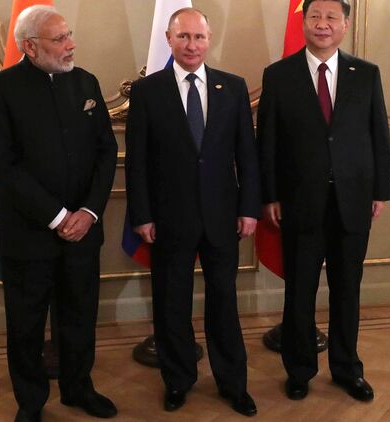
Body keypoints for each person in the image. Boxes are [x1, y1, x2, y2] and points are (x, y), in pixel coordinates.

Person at [0, 6, 118, 422]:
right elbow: (1, 164)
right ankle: (31, 401)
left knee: (79, 317)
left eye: (69, 34)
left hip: (84, 230)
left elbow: (106, 150)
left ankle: (79, 388)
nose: (71, 44)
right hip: (30, 232)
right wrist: (57, 217)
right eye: (60, 39)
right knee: (26, 324)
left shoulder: (86, 82)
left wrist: (88, 212)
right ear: (31, 47)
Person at [125, 7, 260, 417]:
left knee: (224, 304)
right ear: (168, 39)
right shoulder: (147, 91)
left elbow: (247, 155)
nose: (191, 45)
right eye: (183, 36)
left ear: (209, 40)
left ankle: (233, 384)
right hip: (168, 219)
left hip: (223, 217)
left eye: (199, 37)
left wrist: (249, 208)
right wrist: (142, 215)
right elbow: (137, 162)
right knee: (172, 304)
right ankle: (178, 381)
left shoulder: (232, 87)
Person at [257, 0, 390, 403]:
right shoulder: (278, 75)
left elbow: (379, 136)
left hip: (353, 201)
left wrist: (380, 191)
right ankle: (299, 370)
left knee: (347, 290)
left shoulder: (366, 74)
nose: (322, 24)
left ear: (345, 25)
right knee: (299, 291)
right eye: (315, 16)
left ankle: (347, 369)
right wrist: (270, 195)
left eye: (332, 17)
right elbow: (267, 141)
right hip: (299, 202)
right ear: (304, 22)